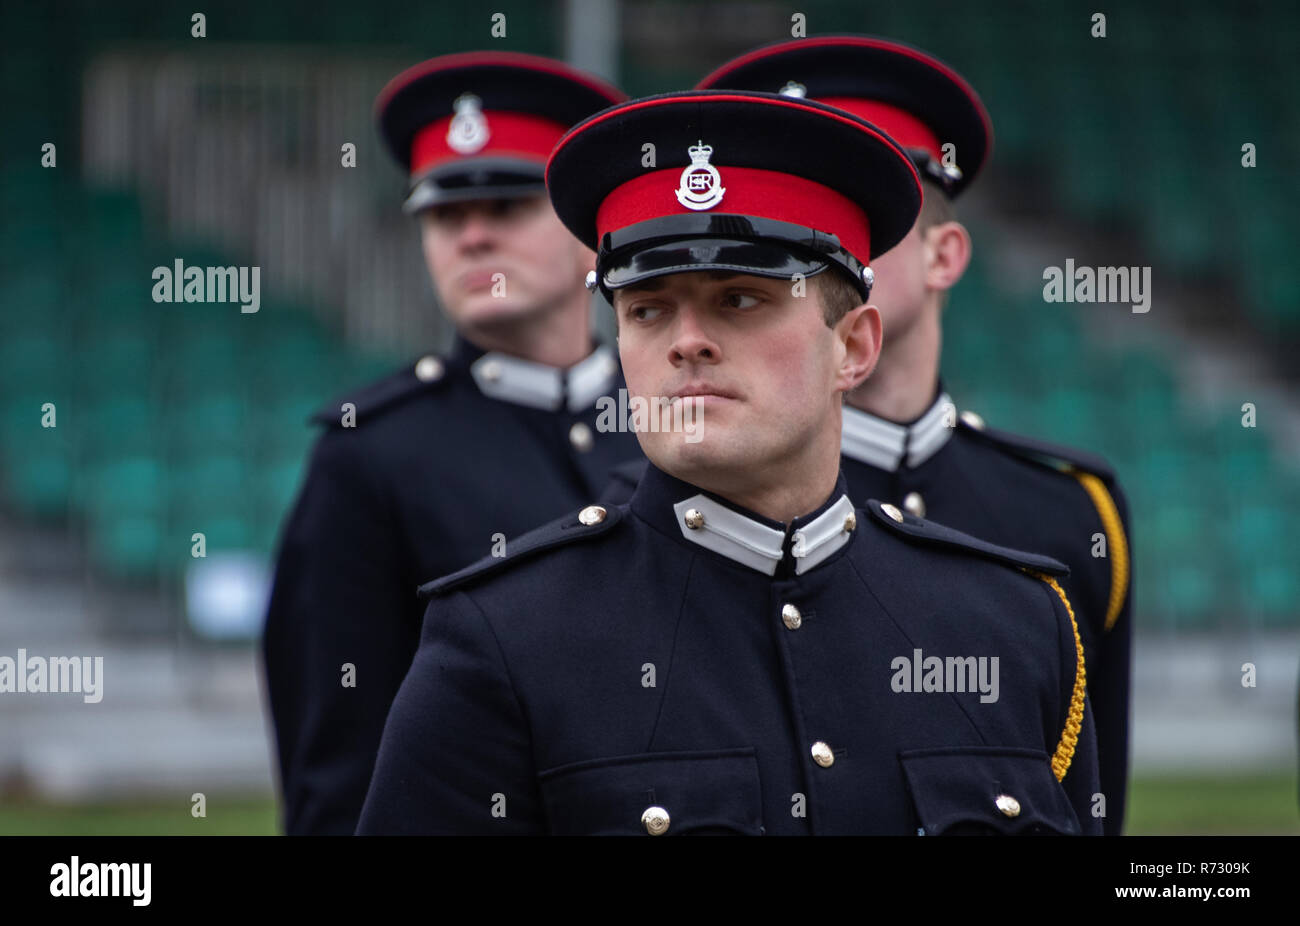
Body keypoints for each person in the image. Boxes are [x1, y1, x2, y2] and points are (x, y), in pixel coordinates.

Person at [357, 89, 1101, 835]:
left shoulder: (1013, 624)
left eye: (740, 300)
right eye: (647, 309)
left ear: (853, 346)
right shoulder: (503, 639)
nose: (687, 341)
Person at [696, 36, 1133, 834]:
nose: (819, 240)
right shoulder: (669, 503)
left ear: (946, 254)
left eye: (863, 207)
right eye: (783, 219)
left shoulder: (1071, 513)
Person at [261, 52, 643, 835]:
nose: (471, 236)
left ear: (589, 235)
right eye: (444, 214)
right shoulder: (368, 452)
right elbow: (337, 773)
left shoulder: (682, 423)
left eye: (506, 205)